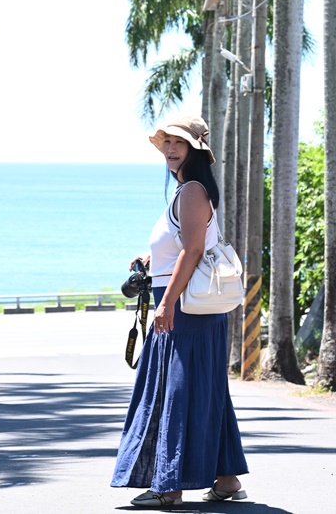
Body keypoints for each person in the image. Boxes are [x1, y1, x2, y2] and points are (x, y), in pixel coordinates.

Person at [111, 115, 249, 508]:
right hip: (193, 310)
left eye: (179, 142)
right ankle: (227, 481)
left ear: (195, 149)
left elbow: (191, 251)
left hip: (183, 309)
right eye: (167, 142)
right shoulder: (190, 191)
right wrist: (149, 256)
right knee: (203, 390)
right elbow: (187, 244)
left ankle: (169, 486)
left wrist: (166, 304)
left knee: (176, 392)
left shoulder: (190, 191)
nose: (171, 149)